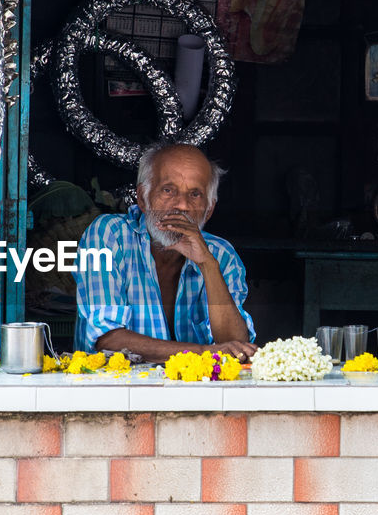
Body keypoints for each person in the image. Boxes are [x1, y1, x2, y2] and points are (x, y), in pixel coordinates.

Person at [74, 143, 257, 363]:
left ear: (208, 210)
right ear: (143, 198)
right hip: (117, 392)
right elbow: (107, 338)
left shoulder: (221, 256)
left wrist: (207, 264)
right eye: (168, 190)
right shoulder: (109, 235)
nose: (181, 205)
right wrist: (202, 353)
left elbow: (236, 349)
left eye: (195, 194)